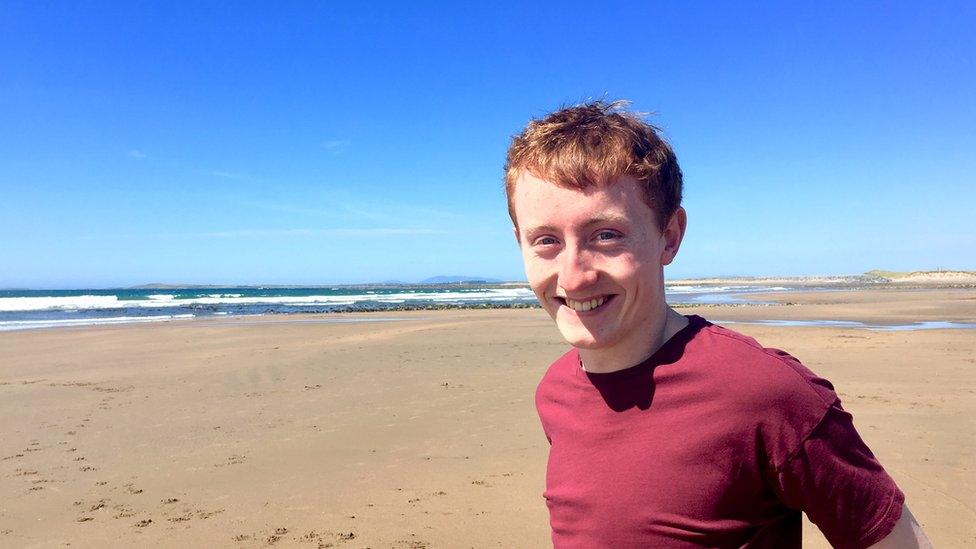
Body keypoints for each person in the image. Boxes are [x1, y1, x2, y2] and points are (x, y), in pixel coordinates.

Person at [503, 100, 931, 548]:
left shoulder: (768, 394)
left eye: (606, 235)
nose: (573, 276)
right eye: (546, 241)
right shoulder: (555, 391)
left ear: (669, 236)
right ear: (520, 244)